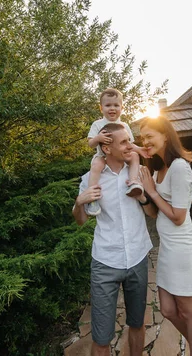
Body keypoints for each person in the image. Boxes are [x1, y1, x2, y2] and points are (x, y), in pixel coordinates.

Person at [73, 123, 156, 356]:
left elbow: (152, 214)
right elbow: (80, 220)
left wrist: (143, 198)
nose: (131, 146)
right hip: (105, 262)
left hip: (138, 257)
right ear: (107, 148)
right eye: (124, 142)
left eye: (130, 140)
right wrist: (80, 202)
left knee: (138, 323)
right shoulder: (91, 178)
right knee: (101, 336)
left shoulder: (139, 173)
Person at [138, 116, 192, 356]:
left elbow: (179, 216)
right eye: (142, 138)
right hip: (167, 249)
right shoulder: (158, 169)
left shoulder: (179, 167)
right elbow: (154, 213)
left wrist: (151, 191)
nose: (145, 141)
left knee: (189, 311)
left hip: (182, 248)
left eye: (150, 136)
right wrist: (143, 197)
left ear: (165, 136)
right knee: (168, 310)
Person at [85, 88, 148, 216]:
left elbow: (128, 144)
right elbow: (91, 144)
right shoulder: (98, 124)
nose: (112, 108)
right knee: (97, 165)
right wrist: (98, 138)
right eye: (108, 105)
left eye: (116, 105)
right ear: (101, 108)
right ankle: (93, 198)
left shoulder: (124, 125)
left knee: (134, 156)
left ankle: (133, 182)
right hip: (103, 156)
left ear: (122, 107)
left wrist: (139, 149)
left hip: (121, 155)